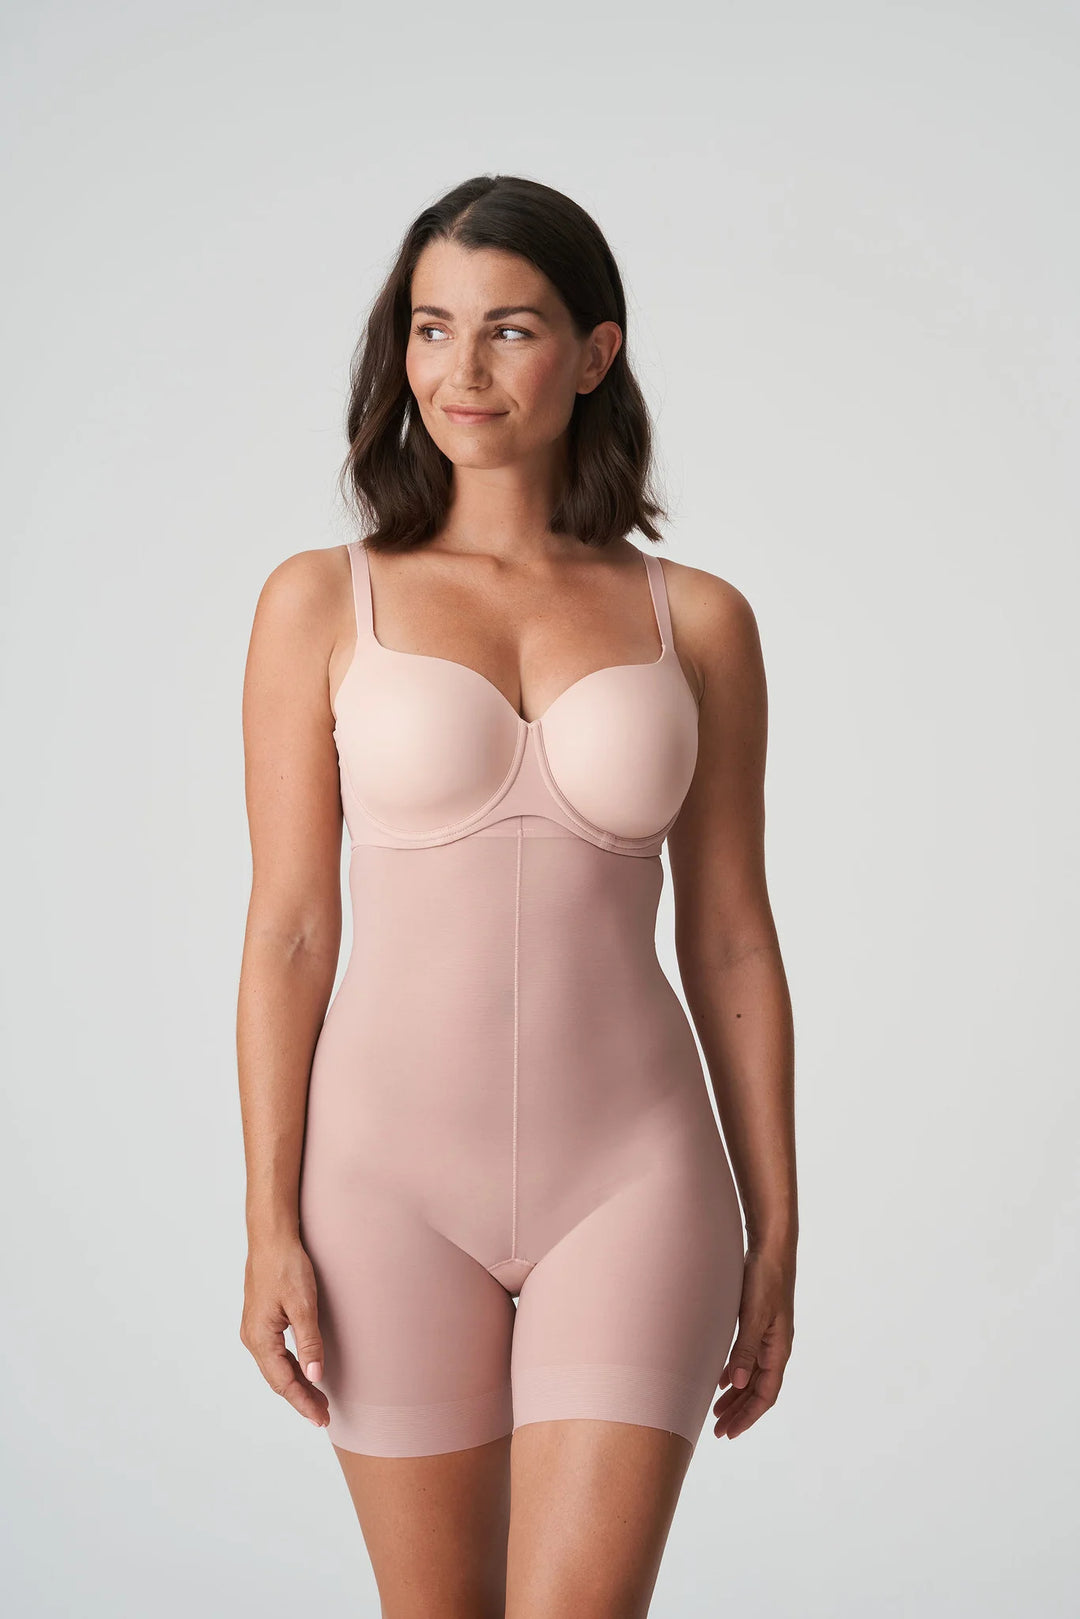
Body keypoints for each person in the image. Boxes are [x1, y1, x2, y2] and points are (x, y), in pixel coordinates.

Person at [237, 173, 797, 1619]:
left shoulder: (700, 620)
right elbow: (290, 930)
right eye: (431, 329)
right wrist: (267, 1222)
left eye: (510, 329)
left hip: (637, 1181)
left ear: (596, 352)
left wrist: (779, 1224)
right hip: (380, 1191)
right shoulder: (320, 601)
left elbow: (731, 935)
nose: (461, 371)